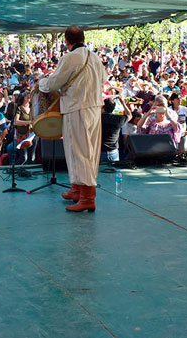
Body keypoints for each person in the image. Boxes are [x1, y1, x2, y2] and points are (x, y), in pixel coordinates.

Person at [40, 26, 106, 212]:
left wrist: (41, 82)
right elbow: (103, 79)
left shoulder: (69, 58)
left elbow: (54, 83)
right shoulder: (95, 57)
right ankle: (77, 189)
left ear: (67, 41)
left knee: (79, 151)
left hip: (78, 108)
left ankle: (87, 198)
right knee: (86, 150)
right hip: (93, 108)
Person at [100, 97, 131, 162]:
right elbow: (129, 115)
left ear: (103, 107)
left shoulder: (98, 118)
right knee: (114, 171)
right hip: (113, 151)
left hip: (101, 151)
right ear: (114, 108)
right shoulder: (119, 119)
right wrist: (123, 103)